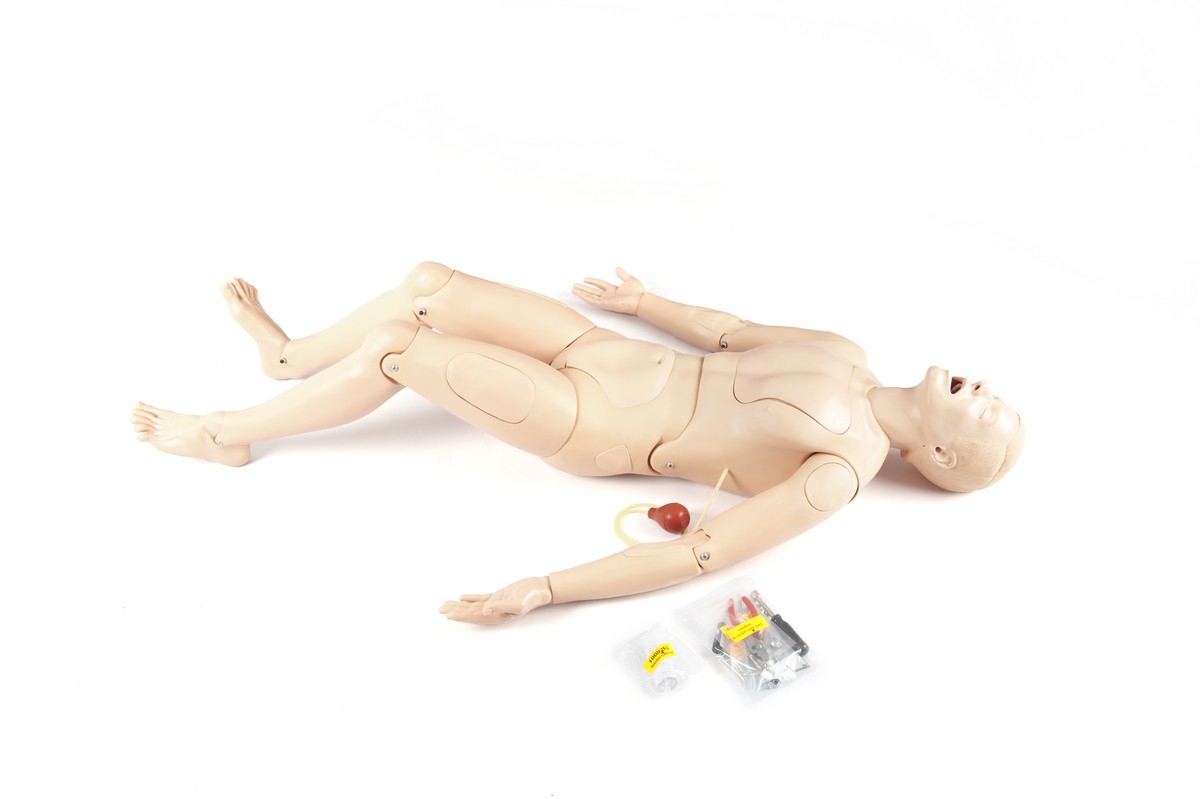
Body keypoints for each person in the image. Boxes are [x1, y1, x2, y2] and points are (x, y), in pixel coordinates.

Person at [131, 262, 1023, 624]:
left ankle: (226, 434)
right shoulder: (847, 352)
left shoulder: (839, 472)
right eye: (993, 396)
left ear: (940, 460)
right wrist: (645, 304)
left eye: (987, 416)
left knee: (400, 348)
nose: (984, 391)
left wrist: (546, 588)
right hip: (606, 351)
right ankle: (288, 357)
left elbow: (704, 552)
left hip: (593, 421)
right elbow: (730, 331)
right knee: (431, 285)